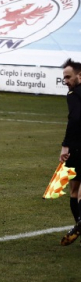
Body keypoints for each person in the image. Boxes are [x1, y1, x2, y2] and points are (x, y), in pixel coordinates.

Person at [60, 58, 81, 245]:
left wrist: (65, 146)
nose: (66, 81)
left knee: (76, 192)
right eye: (64, 78)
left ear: (79, 75)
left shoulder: (73, 94)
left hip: (77, 148)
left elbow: (74, 119)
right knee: (76, 191)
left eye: (68, 77)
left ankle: (79, 226)